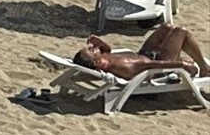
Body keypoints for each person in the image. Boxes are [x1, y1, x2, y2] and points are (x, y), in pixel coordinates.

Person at [74, 24, 209, 79]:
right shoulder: (121, 67)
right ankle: (204, 67)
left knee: (166, 27)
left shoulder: (103, 59)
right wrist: (181, 66)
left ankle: (180, 57)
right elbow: (154, 66)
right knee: (181, 32)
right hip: (159, 65)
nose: (92, 48)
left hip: (145, 55)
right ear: (96, 62)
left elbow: (108, 51)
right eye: (91, 51)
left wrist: (101, 44)